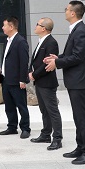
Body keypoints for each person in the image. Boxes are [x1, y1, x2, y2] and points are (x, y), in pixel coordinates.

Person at [45, 0, 85, 165]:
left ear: (73, 13)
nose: (65, 11)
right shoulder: (76, 29)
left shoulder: (81, 31)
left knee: (83, 117)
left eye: (67, 9)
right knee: (78, 116)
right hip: (75, 81)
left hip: (79, 81)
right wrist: (58, 58)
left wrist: (57, 63)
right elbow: (72, 54)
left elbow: (78, 57)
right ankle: (81, 147)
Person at [28, 17, 62, 150]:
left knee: (52, 110)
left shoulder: (51, 42)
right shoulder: (41, 41)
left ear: (44, 28)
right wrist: (30, 71)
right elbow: (35, 61)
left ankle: (57, 138)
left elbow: (47, 64)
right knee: (44, 110)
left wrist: (34, 74)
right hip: (39, 82)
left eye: (38, 24)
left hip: (47, 82)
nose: (35, 26)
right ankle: (46, 134)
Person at [0, 16, 31, 139]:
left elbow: (24, 62)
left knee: (21, 105)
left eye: (4, 25)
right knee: (9, 106)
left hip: (17, 81)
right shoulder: (7, 41)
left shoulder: (20, 41)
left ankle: (25, 128)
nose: (3, 28)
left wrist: (23, 79)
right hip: (6, 79)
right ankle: (12, 127)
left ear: (11, 27)